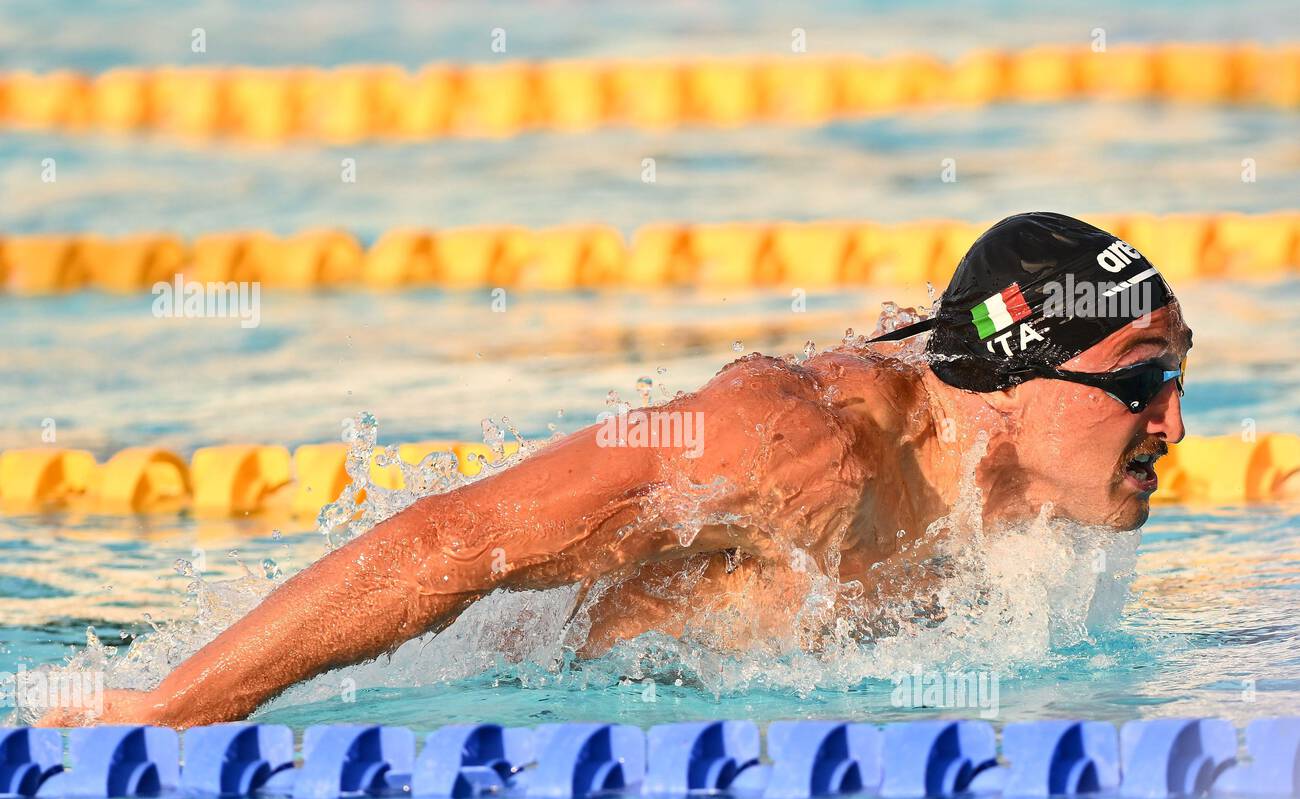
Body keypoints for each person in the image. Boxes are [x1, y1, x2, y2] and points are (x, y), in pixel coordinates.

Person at [39, 212, 1191, 728]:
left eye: (1179, 376)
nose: (1173, 424)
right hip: (525, 716)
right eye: (1141, 382)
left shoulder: (1032, 492)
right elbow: (451, 543)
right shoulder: (790, 447)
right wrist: (171, 709)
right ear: (1011, 381)